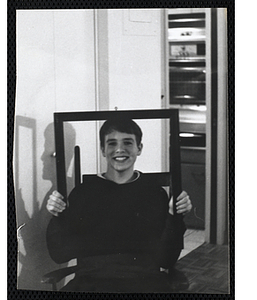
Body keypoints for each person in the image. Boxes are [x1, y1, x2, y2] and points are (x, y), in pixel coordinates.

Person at [46, 118, 192, 292]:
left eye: (128, 143)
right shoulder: (83, 193)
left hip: (145, 283)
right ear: (102, 150)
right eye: (111, 143)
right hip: (92, 283)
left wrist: (174, 216)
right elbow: (60, 254)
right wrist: (57, 216)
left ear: (139, 148)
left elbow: (166, 260)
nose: (119, 149)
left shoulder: (155, 193)